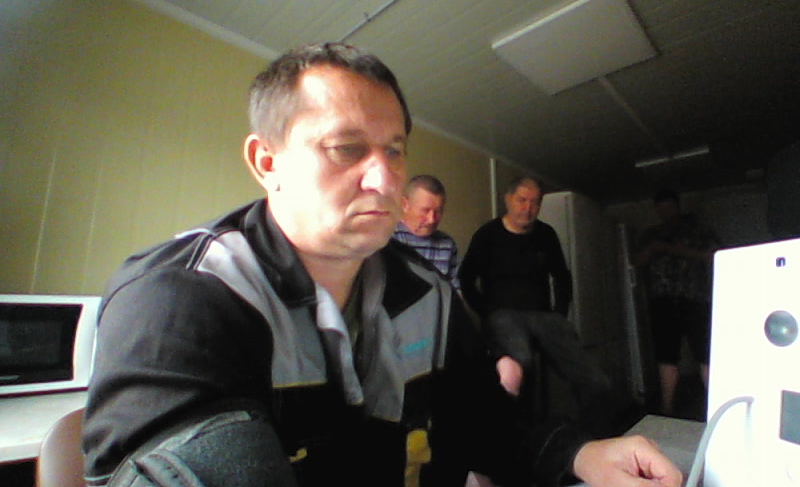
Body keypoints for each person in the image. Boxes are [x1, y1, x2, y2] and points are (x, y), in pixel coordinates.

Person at [82, 43, 682, 487]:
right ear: (267, 162)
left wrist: (577, 454)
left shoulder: (429, 296)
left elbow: (486, 420)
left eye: (394, 151)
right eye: (346, 148)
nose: (386, 178)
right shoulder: (179, 299)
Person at [458, 177, 614, 430]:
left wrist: (559, 314)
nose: (528, 208)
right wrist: (487, 313)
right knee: (521, 363)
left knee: (596, 381)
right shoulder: (487, 235)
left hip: (544, 317)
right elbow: (466, 278)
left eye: (535, 202)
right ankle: (517, 434)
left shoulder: (546, 235)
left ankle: (585, 438)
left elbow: (562, 277)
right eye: (522, 200)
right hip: (503, 316)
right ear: (508, 199)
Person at [633, 189, 720, 417]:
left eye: (669, 207)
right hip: (662, 301)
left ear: (677, 206)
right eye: (660, 209)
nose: (665, 213)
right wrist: (651, 250)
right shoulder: (651, 234)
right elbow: (636, 261)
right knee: (666, 355)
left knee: (705, 353)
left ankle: (715, 408)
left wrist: (671, 249)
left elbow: (714, 256)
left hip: (695, 298)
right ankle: (667, 408)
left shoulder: (698, 230)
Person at [392, 174, 460, 290]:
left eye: (438, 211)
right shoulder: (387, 239)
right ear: (405, 205)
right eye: (425, 210)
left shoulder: (447, 244)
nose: (431, 219)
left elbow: (455, 291)